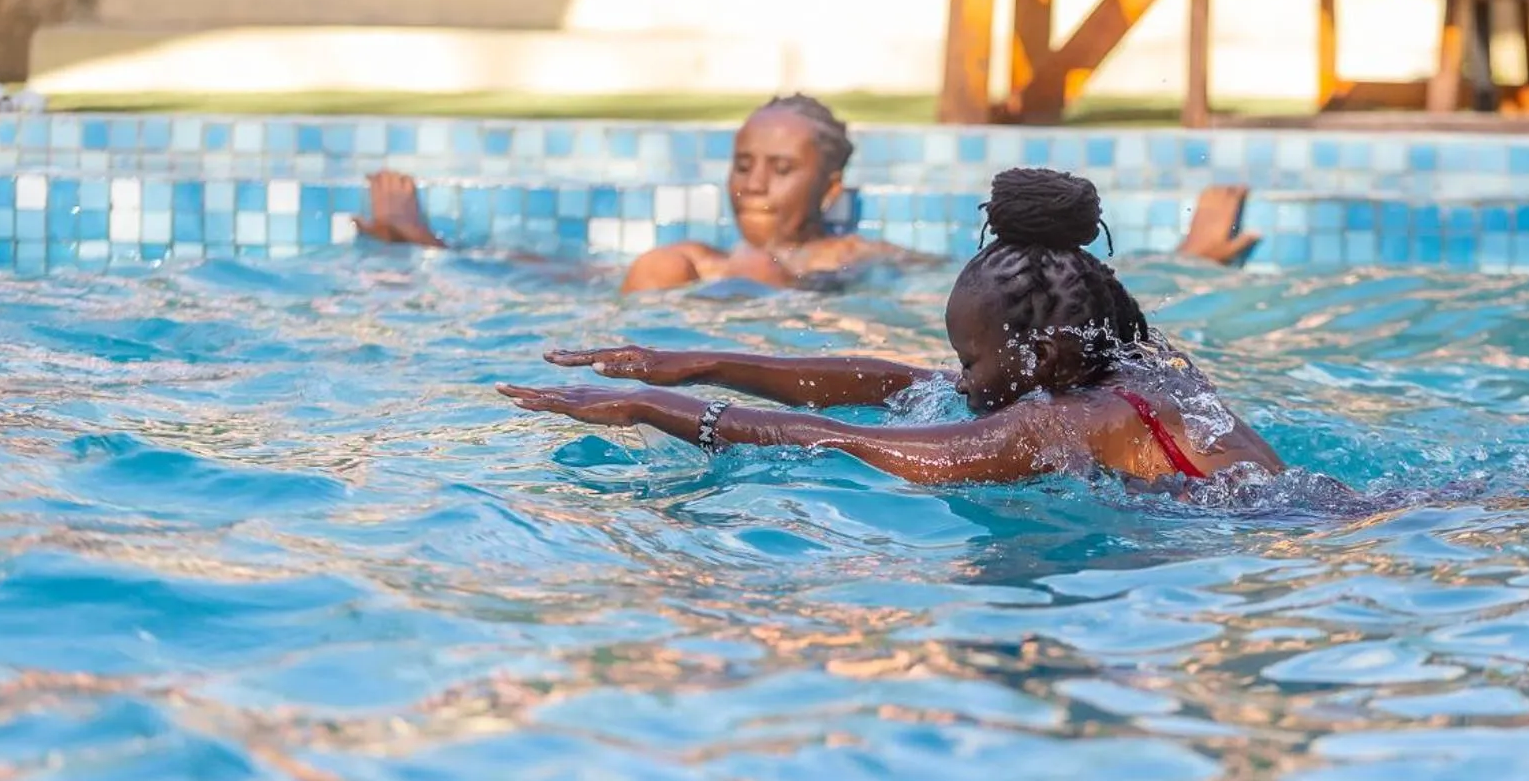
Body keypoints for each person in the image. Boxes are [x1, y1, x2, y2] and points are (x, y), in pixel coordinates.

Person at [498, 168, 1287, 487]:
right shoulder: (1134, 372)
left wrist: (655, 410)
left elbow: (858, 443)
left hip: (1292, 549)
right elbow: (899, 383)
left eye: (970, 359)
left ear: (1036, 352)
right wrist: (687, 360)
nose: (962, 377)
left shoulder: (1068, 419)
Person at [357, 95, 1262, 292]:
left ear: (833, 186)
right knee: (666, 262)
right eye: (743, 163)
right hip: (675, 326)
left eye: (777, 168)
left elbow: (1007, 284)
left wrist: (1177, 268)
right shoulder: (695, 252)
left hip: (768, 355)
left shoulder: (848, 255)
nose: (752, 181)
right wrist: (425, 244)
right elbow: (558, 275)